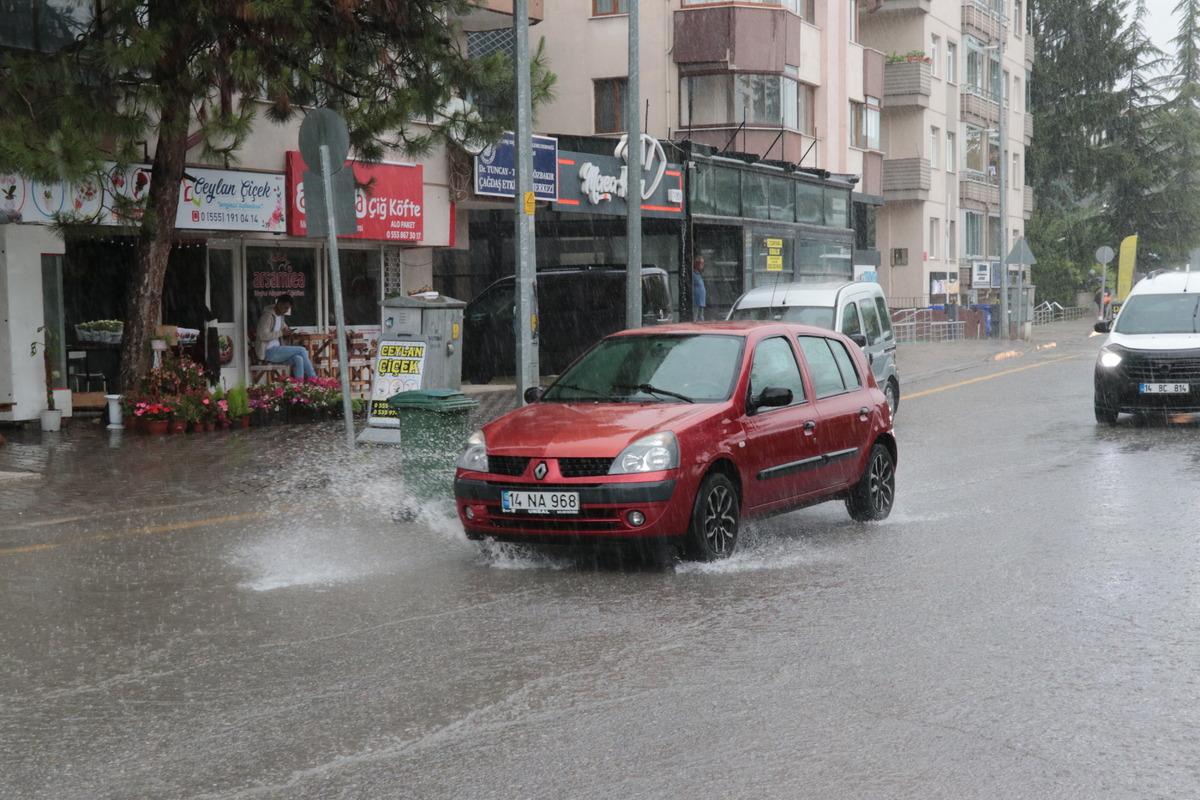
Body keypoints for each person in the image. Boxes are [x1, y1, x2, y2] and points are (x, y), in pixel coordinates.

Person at [256, 294, 316, 379]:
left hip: (277, 351)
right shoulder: (267, 316)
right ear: (279, 303)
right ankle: (314, 379)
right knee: (301, 350)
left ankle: (298, 385)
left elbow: (285, 329)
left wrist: (294, 333)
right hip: (268, 352)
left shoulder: (280, 317)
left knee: (298, 358)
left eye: (288, 308)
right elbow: (262, 335)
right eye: (285, 308)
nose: (286, 311)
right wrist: (281, 333)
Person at [692, 256, 708, 321]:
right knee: (695, 316)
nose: (702, 265)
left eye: (703, 263)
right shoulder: (693, 274)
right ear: (696, 264)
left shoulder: (698, 274)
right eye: (701, 263)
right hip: (696, 300)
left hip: (701, 299)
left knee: (701, 316)